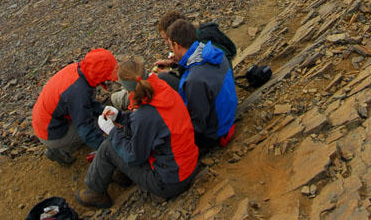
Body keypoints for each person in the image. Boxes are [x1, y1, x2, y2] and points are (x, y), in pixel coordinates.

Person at [76, 58, 199, 208]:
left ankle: (95, 192)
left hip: (170, 181)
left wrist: (112, 130)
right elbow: (147, 121)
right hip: (188, 164)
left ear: (129, 91)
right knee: (126, 132)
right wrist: (120, 117)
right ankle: (121, 174)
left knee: (108, 147)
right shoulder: (162, 87)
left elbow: (134, 157)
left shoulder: (144, 115)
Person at [32, 48, 118, 166]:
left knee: (98, 115)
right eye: (106, 77)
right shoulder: (78, 92)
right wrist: (112, 151)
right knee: (98, 123)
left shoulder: (79, 70)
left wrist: (103, 109)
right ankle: (60, 149)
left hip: (44, 122)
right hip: (51, 133)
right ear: (99, 75)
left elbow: (86, 103)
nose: (107, 80)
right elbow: (86, 130)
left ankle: (61, 146)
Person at [166, 19, 237, 152]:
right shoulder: (211, 50)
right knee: (165, 78)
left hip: (214, 132)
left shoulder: (194, 81)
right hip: (226, 114)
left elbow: (197, 124)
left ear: (176, 45)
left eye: (170, 45)